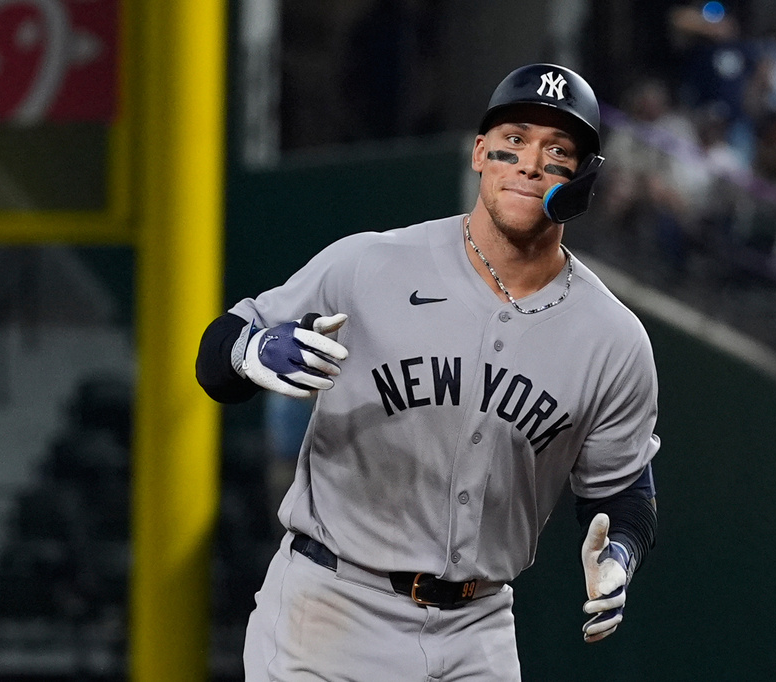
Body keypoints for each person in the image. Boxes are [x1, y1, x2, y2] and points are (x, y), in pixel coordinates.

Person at [196, 63, 661, 681]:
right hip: (332, 608)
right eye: (515, 140)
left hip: (478, 625)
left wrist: (621, 555)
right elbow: (215, 356)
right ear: (479, 153)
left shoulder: (613, 338)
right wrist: (251, 352)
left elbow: (622, 490)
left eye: (558, 151)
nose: (530, 163)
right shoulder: (369, 265)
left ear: (584, 180)